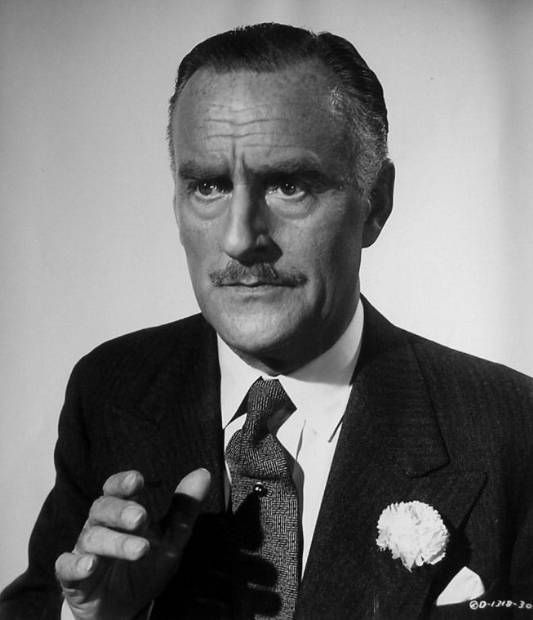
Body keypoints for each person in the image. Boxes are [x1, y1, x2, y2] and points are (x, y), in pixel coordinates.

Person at [1, 22, 532, 620]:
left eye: (288, 185)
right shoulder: (110, 390)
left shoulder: (512, 427)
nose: (239, 238)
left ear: (376, 203)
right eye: (208, 186)